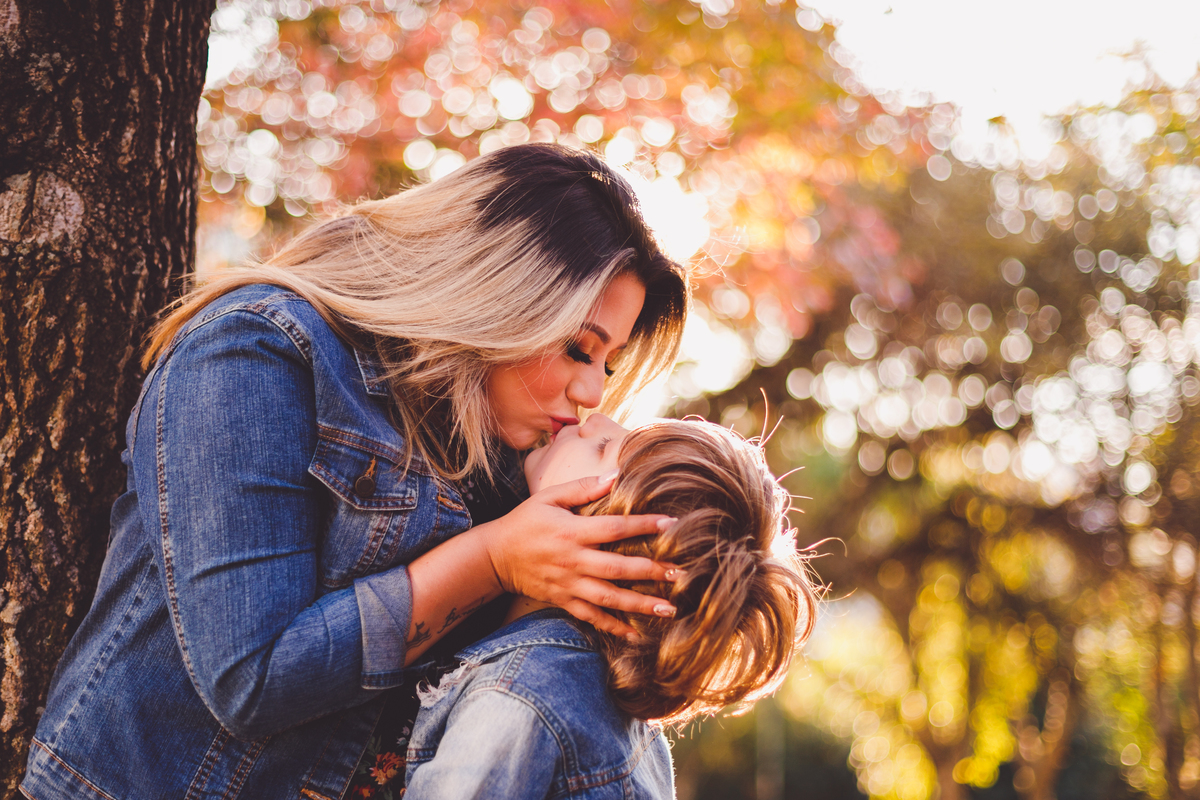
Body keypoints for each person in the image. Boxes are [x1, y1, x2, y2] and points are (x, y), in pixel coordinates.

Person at [21, 144, 689, 800]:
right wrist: (492, 560)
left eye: (609, 362)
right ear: (500, 296)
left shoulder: (511, 452)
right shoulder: (258, 351)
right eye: (579, 349)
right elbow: (250, 679)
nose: (594, 393)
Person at [402, 414, 818, 799]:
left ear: (606, 545)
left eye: (603, 447)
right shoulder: (636, 733)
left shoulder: (519, 699)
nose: (594, 418)